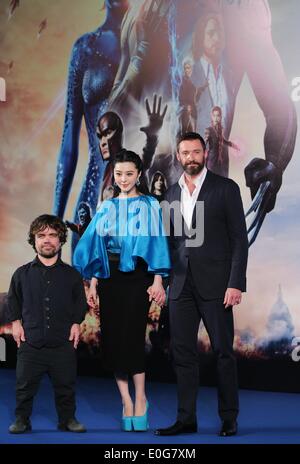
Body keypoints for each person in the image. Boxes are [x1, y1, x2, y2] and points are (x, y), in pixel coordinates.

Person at [156, 132, 248, 437]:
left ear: (205, 154)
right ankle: (186, 419)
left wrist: (235, 283)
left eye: (196, 152)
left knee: (223, 352)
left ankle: (229, 418)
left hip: (217, 286)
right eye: (185, 153)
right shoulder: (170, 194)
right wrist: (162, 281)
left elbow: (239, 240)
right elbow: (170, 243)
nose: (191, 157)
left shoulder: (225, 189)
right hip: (180, 287)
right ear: (179, 157)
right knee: (182, 354)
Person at [73, 149, 171, 432]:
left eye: (129, 173)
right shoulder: (106, 207)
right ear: (113, 177)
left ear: (139, 175)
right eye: (119, 174)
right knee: (114, 339)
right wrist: (92, 284)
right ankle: (126, 401)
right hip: (110, 278)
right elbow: (95, 248)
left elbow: (157, 243)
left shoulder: (151, 204)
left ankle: (141, 398)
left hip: (138, 277)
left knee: (132, 338)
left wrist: (157, 280)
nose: (124, 179)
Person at [7, 215, 87, 434]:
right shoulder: (21, 274)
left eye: (52, 235)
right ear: (34, 240)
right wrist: (15, 323)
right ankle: (22, 419)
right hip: (30, 342)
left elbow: (80, 302)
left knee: (66, 387)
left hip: (63, 343)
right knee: (24, 387)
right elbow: (13, 299)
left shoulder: (72, 275)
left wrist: (76, 323)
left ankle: (68, 420)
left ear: (61, 240)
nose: (47, 240)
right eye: (41, 236)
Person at [53, 1, 129, 220]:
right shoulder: (85, 48)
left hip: (134, 211)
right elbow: (69, 141)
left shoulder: (151, 45)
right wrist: (54, 222)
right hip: (89, 210)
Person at [204, 106, 239, 177]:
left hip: (219, 161)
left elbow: (223, 140)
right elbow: (204, 143)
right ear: (212, 117)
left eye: (218, 116)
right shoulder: (209, 130)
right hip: (211, 160)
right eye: (214, 116)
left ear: (220, 117)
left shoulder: (220, 129)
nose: (216, 118)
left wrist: (233, 145)